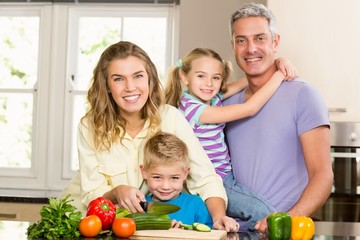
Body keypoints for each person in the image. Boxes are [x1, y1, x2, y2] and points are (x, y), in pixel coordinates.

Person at [59, 41, 239, 232]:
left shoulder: (170, 117)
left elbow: (205, 178)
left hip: (131, 227)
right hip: (83, 223)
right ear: (107, 85)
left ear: (149, 80)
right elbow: (91, 194)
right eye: (118, 79)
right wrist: (116, 192)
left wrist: (219, 217)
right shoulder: (89, 126)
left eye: (138, 76)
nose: (130, 87)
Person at [224, 3, 333, 233]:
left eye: (260, 38)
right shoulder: (225, 105)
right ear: (232, 46)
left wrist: (285, 220)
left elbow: (322, 175)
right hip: (237, 231)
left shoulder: (303, 95)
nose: (250, 48)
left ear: (275, 42)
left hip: (286, 232)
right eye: (241, 40)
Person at [164, 47, 296, 178]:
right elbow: (250, 108)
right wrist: (280, 75)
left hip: (220, 174)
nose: (209, 83)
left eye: (215, 78)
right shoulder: (194, 110)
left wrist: (278, 63)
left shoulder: (211, 98)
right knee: (257, 201)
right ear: (184, 76)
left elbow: (245, 81)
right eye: (201, 76)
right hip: (214, 177)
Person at [140, 131, 213, 228]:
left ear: (185, 173)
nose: (165, 187)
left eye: (174, 178)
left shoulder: (196, 204)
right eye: (157, 177)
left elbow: (209, 234)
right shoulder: (140, 207)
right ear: (144, 172)